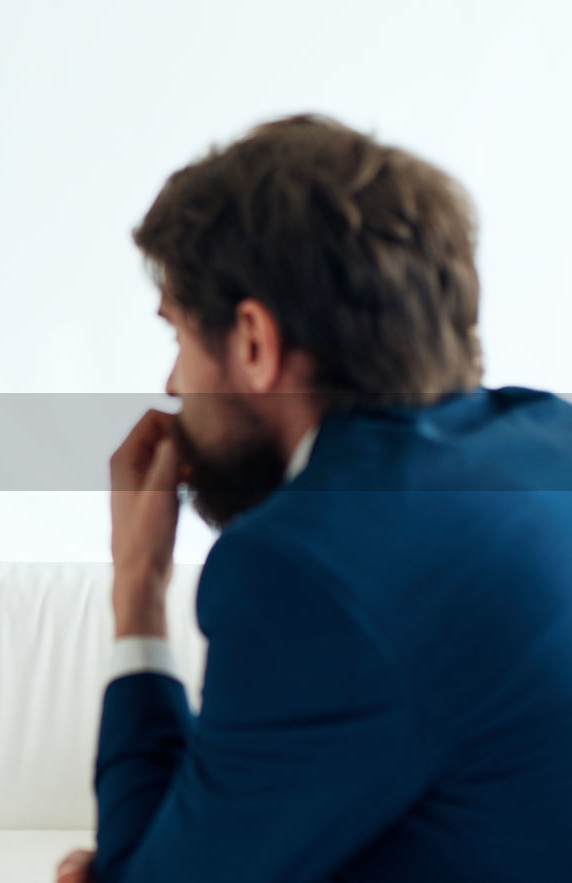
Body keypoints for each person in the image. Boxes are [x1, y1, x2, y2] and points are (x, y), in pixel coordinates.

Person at [56, 115, 572, 882]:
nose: (171, 386)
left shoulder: (305, 566)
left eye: (179, 338)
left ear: (255, 342)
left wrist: (138, 588)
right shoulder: (549, 432)